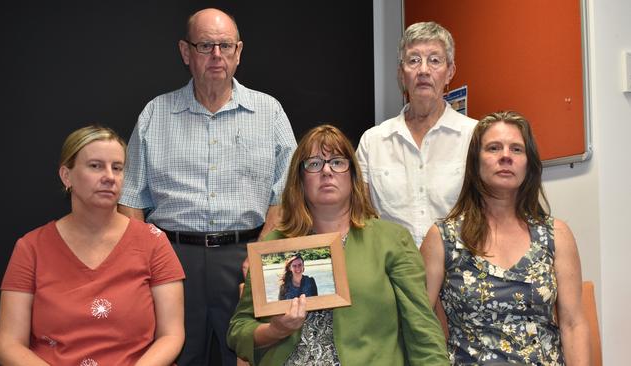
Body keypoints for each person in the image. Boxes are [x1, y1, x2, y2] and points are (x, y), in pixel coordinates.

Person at [117, 8, 297, 365]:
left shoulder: (270, 112)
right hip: (171, 261)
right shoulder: (155, 113)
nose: (217, 55)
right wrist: (143, 265)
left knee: (252, 356)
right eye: (205, 46)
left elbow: (286, 192)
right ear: (186, 52)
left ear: (239, 51)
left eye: (225, 46)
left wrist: (261, 257)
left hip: (246, 256)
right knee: (174, 356)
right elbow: (131, 198)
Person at [227, 125, 448, 365]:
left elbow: (422, 329)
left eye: (337, 162)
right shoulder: (275, 245)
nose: (326, 171)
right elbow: (239, 331)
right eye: (313, 164)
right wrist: (275, 330)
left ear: (353, 176)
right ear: (299, 180)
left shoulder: (391, 240)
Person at [0, 125, 185, 365]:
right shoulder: (31, 247)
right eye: (95, 166)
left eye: (117, 168)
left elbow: (172, 335)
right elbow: (8, 344)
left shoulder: (153, 242)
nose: (109, 176)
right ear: (67, 176)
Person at [420, 111, 590, 365]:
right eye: (493, 148)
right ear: (475, 163)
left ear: (528, 164)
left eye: (517, 149)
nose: (506, 156)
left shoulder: (556, 234)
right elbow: (419, 322)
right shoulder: (443, 237)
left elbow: (573, 324)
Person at [356, 21, 477, 246]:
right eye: (413, 60)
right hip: (394, 272)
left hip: (459, 271)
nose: (423, 70)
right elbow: (360, 216)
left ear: (450, 72)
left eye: (434, 60)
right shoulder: (373, 142)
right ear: (402, 74)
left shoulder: (475, 136)